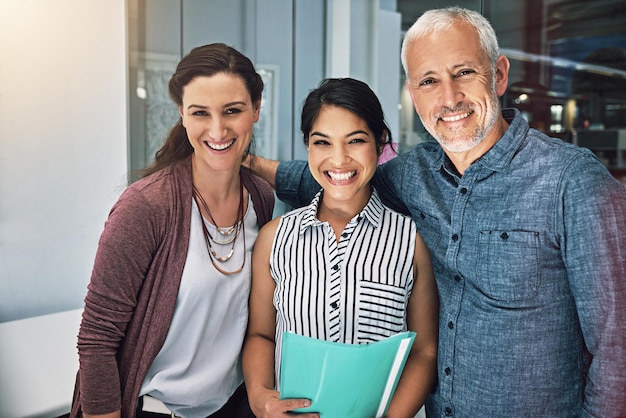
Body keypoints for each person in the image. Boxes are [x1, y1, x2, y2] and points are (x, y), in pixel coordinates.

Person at [246, 7, 626, 418]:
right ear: (413, 91)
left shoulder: (574, 181)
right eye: (429, 81)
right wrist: (240, 162)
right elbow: (340, 177)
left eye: (463, 73)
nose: (449, 98)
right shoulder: (414, 174)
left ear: (498, 75)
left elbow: (617, 345)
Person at [71, 43, 275, 418]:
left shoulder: (261, 197)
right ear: (182, 114)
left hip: (233, 405)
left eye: (233, 110)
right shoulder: (146, 207)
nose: (218, 129)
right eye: (201, 113)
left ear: (256, 109)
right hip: (156, 409)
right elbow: (96, 339)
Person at [242, 78, 438, 418]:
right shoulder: (274, 239)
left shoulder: (412, 240)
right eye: (322, 142)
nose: (339, 159)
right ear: (307, 146)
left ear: (380, 143)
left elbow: (425, 351)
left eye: (356, 141)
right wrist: (260, 399)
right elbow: (261, 334)